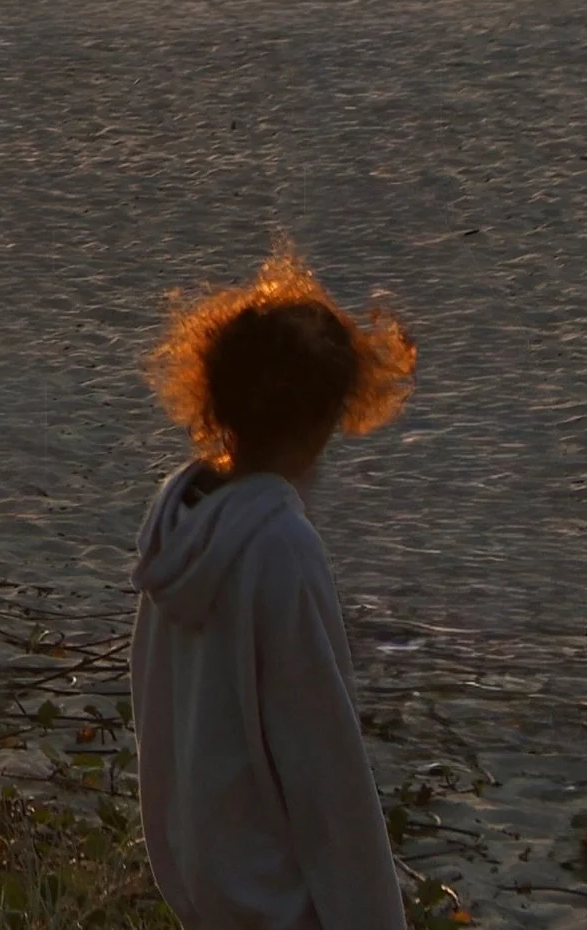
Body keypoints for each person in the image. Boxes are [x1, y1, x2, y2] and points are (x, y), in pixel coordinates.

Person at [130, 250, 417, 930]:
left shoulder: (177, 529)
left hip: (207, 896)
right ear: (329, 417)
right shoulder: (282, 549)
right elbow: (326, 771)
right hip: (283, 910)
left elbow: (154, 719)